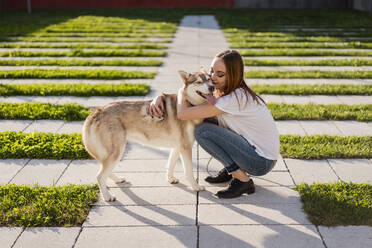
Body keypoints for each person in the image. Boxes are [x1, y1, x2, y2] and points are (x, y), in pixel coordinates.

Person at [148, 49, 280, 198]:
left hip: (260, 162)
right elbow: (193, 97)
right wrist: (160, 97)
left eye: (220, 74)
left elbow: (182, 114)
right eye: (212, 72)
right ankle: (233, 169)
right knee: (205, 120)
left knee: (203, 131)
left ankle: (242, 180)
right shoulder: (226, 92)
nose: (213, 78)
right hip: (254, 151)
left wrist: (181, 90)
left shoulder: (234, 98)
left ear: (233, 75)